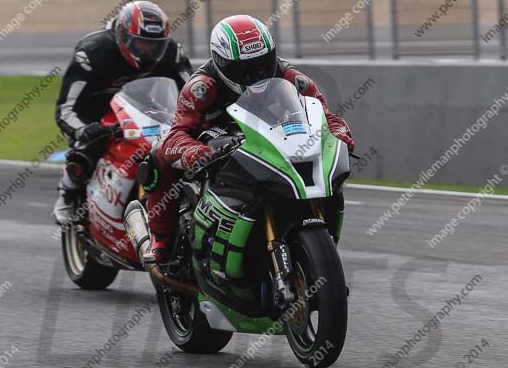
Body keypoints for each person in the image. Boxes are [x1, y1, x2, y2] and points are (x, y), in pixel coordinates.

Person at [141, 14, 354, 264]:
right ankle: (161, 240)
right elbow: (177, 135)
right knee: (157, 155)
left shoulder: (293, 79)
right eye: (243, 69)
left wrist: (340, 135)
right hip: (216, 146)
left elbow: (325, 117)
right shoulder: (201, 88)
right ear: (222, 63)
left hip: (269, 140)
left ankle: (320, 234)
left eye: (263, 63)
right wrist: (197, 151)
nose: (256, 74)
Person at [53, 0, 192, 225]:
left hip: (145, 108)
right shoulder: (92, 51)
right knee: (85, 150)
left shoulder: (172, 52)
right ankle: (66, 193)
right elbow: (66, 108)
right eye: (141, 43)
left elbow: (191, 94)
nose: (148, 50)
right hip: (94, 113)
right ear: (123, 35)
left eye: (154, 45)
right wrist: (83, 130)